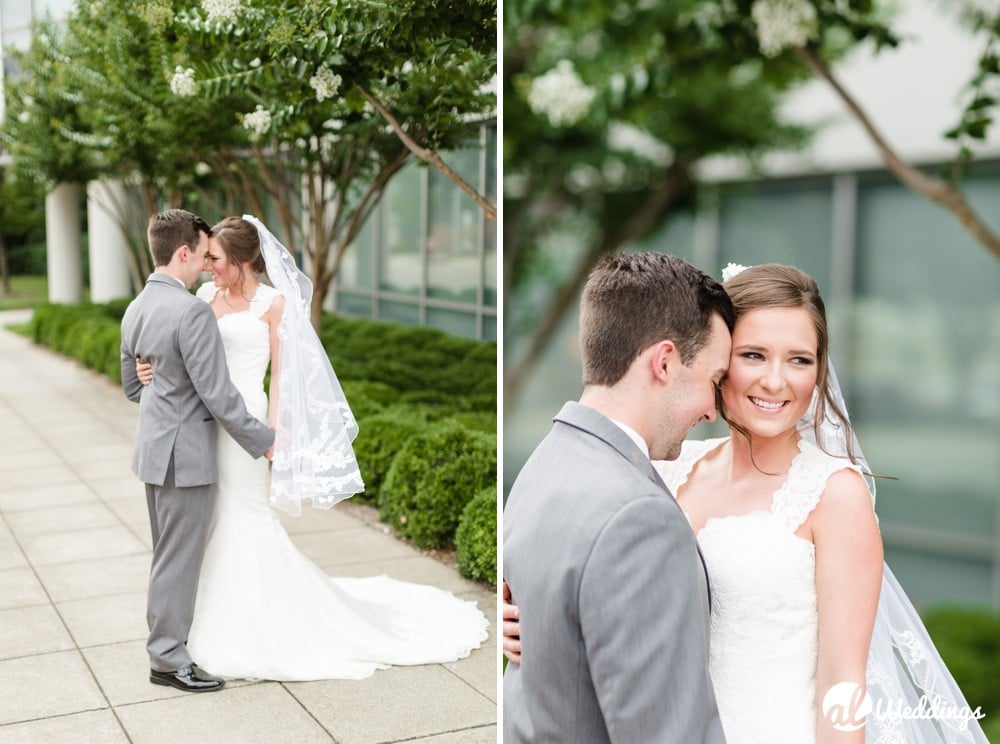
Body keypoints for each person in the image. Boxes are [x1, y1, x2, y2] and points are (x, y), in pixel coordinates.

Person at [503, 263, 990, 744]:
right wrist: (536, 619)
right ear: (716, 358)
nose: (777, 381)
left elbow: (844, 681)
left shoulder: (835, 493)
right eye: (754, 355)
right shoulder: (669, 465)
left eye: (800, 360)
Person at [135, 215, 489, 681]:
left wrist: (274, 433)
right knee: (208, 522)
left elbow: (281, 374)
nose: (208, 267)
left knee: (246, 515)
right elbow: (182, 360)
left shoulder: (272, 303)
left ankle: (253, 626)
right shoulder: (199, 299)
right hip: (203, 429)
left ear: (242, 260)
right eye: (204, 257)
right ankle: (195, 625)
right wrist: (148, 373)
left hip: (248, 423)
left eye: (215, 259)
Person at [503, 252, 734, 743]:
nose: (714, 410)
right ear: (666, 362)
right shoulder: (640, 517)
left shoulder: (545, 462)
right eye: (714, 380)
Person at [120, 209, 276, 693]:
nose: (204, 266)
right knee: (178, 558)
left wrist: (159, 385)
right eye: (201, 255)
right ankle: (167, 658)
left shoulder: (136, 306)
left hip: (153, 451)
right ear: (183, 252)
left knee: (168, 554)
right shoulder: (190, 310)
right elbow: (218, 394)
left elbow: (132, 385)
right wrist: (265, 441)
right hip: (185, 456)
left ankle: (168, 647)